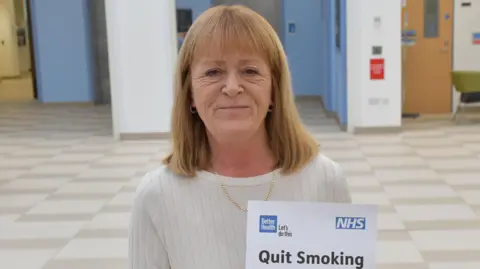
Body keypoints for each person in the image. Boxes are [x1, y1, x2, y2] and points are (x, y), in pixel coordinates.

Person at [129, 5, 351, 269]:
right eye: (213, 72)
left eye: (250, 71)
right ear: (189, 93)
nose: (233, 88)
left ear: (273, 90)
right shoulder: (156, 195)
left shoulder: (325, 181)